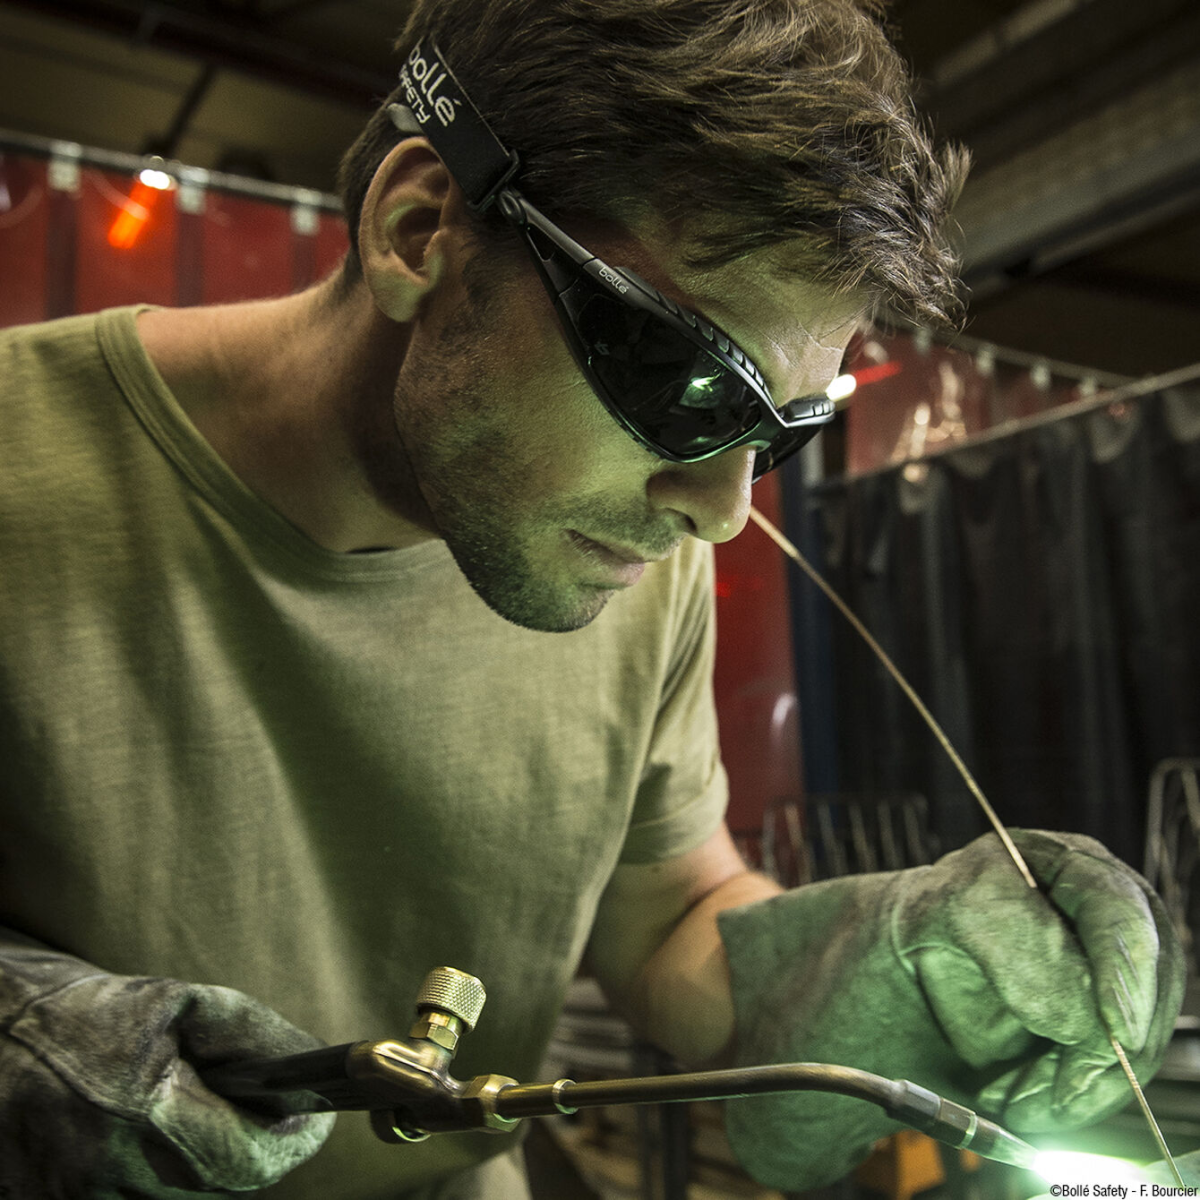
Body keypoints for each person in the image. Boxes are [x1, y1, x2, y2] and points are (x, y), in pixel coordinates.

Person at [0, 0, 1183, 1197]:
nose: (719, 510)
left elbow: (667, 914)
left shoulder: (637, 560)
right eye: (689, 386)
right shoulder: (20, 469)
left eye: (784, 433)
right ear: (419, 232)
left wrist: (885, 958)